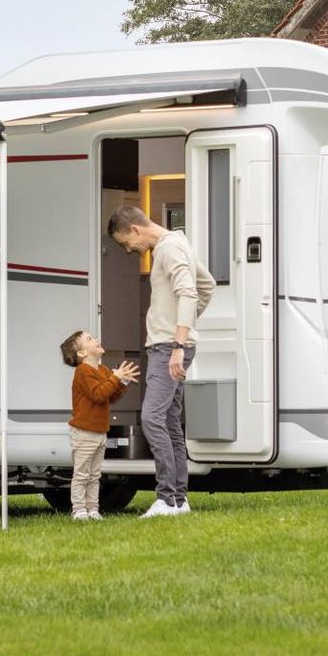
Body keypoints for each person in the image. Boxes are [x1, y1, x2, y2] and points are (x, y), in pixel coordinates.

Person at [106, 205, 214, 518]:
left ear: (135, 229)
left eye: (127, 243)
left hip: (168, 347)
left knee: (151, 418)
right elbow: (206, 286)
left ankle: (167, 498)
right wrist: (184, 327)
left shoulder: (168, 249)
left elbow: (190, 292)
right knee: (168, 421)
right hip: (172, 344)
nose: (130, 250)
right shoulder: (180, 243)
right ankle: (179, 500)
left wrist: (179, 340)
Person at [59, 330, 141, 521]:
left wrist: (122, 381)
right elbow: (98, 394)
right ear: (82, 353)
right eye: (89, 339)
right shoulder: (83, 372)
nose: (95, 339)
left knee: (95, 475)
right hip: (84, 432)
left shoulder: (102, 370)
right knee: (82, 474)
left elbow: (110, 396)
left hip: (99, 431)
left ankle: (93, 508)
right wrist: (116, 377)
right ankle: (79, 510)